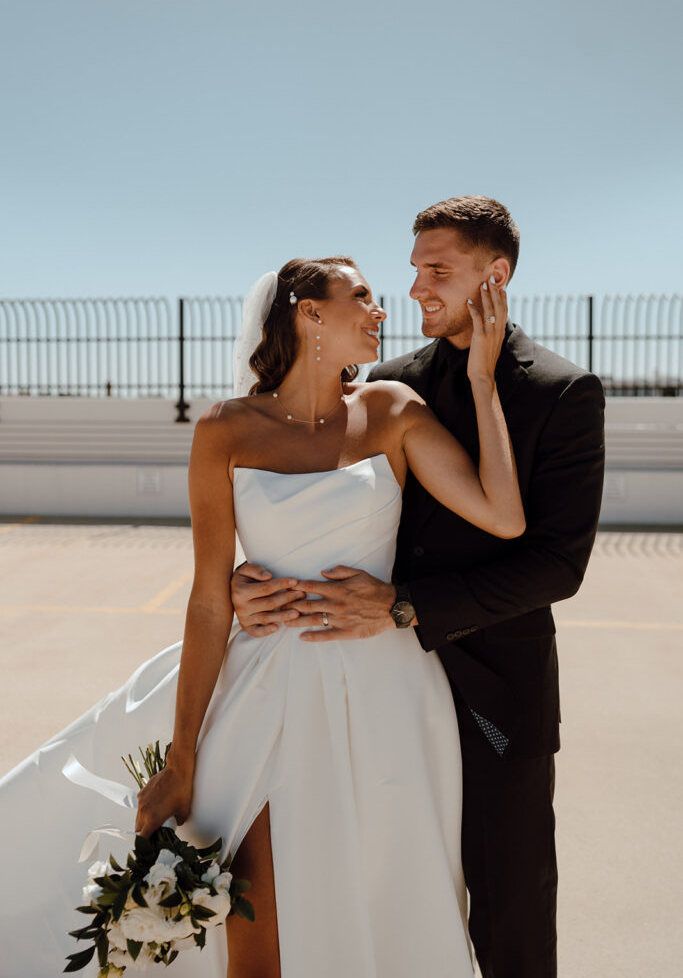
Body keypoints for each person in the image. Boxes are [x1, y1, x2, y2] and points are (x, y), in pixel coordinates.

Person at [0, 253, 523, 978]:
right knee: (252, 918)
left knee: (384, 898)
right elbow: (210, 597)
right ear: (309, 313)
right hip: (264, 691)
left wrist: (482, 380)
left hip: (386, 693)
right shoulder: (224, 429)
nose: (381, 310)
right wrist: (181, 757)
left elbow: (502, 515)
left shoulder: (392, 409)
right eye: (362, 297)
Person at [231, 199, 606, 978]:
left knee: (511, 907)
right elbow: (314, 494)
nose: (415, 290)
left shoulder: (564, 394)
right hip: (379, 691)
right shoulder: (387, 385)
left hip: (497, 695)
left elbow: (555, 566)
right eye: (411, 271)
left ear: (494, 275)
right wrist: (256, 575)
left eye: (438, 271)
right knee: (383, 891)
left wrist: (404, 607)